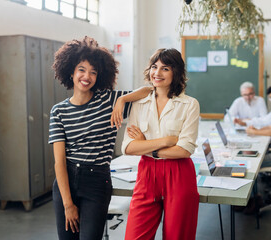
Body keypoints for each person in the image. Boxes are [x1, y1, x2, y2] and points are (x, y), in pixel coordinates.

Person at [48, 36, 151, 240]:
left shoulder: (109, 100)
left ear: (99, 76)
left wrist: (122, 99)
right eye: (82, 70)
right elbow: (59, 162)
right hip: (66, 181)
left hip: (97, 181)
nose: (87, 76)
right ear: (71, 71)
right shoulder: (58, 111)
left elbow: (150, 91)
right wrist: (68, 204)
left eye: (93, 72)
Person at [121, 48, 200, 240]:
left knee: (177, 236)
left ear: (176, 72)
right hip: (146, 174)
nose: (157, 73)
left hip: (179, 174)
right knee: (134, 236)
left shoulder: (189, 104)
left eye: (165, 68)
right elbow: (128, 148)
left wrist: (148, 147)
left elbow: (184, 150)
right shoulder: (139, 104)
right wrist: (165, 142)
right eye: (154, 67)